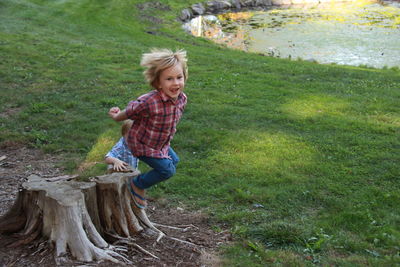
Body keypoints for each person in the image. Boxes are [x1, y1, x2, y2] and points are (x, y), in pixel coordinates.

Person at [108, 48, 188, 209]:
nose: (176, 83)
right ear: (158, 82)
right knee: (167, 171)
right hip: (142, 144)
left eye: (179, 77)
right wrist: (117, 117)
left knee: (175, 160)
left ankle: (142, 181)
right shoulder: (149, 101)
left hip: (160, 143)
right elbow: (131, 111)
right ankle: (137, 184)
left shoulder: (181, 99)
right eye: (169, 79)